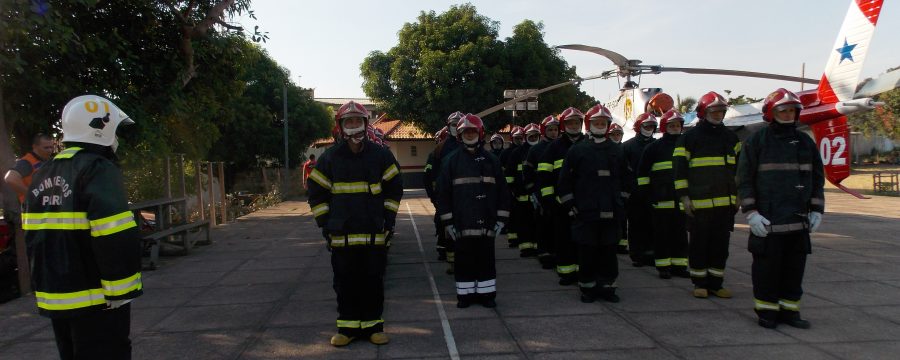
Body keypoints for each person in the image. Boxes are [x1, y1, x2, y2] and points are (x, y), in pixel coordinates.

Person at [23, 95, 143, 359]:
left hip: (58, 297)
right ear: (102, 130)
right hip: (97, 299)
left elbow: (34, 237)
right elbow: (114, 234)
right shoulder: (97, 169)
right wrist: (122, 292)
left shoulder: (43, 173)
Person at [307, 100, 403, 346]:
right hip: (342, 236)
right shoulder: (329, 158)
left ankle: (374, 326)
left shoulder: (381, 156)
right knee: (345, 283)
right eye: (348, 121)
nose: (353, 125)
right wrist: (325, 224)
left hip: (374, 234)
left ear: (365, 123)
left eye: (357, 120)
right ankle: (347, 328)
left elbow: (394, 189)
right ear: (341, 126)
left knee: (373, 281)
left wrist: (388, 220)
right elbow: (316, 193)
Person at [737, 88, 824, 329]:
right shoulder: (757, 141)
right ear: (771, 112)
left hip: (798, 221)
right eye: (782, 110)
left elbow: (817, 177)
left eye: (791, 111)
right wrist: (751, 213)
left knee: (794, 269)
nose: (787, 115)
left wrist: (817, 209)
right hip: (768, 220)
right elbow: (744, 179)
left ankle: (790, 311)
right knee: (767, 269)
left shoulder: (806, 142)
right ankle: (766, 312)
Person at [436, 114, 510, 308]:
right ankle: (465, 296)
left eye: (472, 131)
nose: (469, 134)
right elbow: (442, 194)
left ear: (480, 133)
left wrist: (501, 218)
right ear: (460, 135)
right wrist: (448, 222)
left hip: (487, 222)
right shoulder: (451, 161)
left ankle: (487, 295)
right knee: (464, 261)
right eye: (465, 132)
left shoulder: (492, 160)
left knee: (486, 260)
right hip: (461, 223)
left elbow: (503, 190)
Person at [673, 91, 741, 299]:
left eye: (721, 111)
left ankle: (716, 283)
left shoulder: (731, 138)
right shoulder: (689, 138)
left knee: (720, 246)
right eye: (714, 110)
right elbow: (679, 171)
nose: (718, 114)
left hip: (724, 205)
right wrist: (684, 197)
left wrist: (738, 196)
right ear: (704, 112)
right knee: (699, 245)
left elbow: (739, 171)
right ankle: (699, 282)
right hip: (698, 204)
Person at [557, 103, 624, 303]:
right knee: (587, 252)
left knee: (609, 253)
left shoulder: (616, 150)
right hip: (586, 213)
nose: (600, 125)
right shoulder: (577, 151)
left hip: (611, 213)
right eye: (597, 122)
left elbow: (628, 179)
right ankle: (587, 288)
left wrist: (622, 202)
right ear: (589, 124)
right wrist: (571, 206)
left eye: (604, 122)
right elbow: (564, 182)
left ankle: (608, 288)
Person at [636, 110, 690, 279]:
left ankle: (680, 266)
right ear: (664, 127)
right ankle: (663, 267)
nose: (675, 128)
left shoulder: (686, 146)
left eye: (677, 125)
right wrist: (647, 196)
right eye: (671, 125)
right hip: (661, 199)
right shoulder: (653, 147)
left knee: (680, 234)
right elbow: (642, 173)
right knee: (662, 235)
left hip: (681, 200)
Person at [537, 108, 584, 285]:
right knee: (563, 240)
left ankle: (584, 272)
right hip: (560, 204)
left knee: (584, 241)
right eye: (569, 123)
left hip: (584, 204)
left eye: (576, 122)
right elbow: (544, 175)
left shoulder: (588, 144)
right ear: (564, 125)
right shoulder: (553, 147)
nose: (573, 126)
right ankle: (566, 273)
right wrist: (550, 202)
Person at [523, 115, 559, 268]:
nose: (553, 133)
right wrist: (532, 192)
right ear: (544, 131)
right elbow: (528, 172)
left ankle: (557, 253)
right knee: (543, 225)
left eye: (555, 129)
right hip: (541, 195)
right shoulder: (536, 149)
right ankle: (544, 254)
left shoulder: (562, 147)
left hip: (559, 194)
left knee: (558, 227)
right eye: (550, 130)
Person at [622, 112, 658, 267]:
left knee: (652, 224)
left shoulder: (658, 145)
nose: (649, 129)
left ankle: (651, 254)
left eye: (651, 126)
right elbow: (623, 171)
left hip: (653, 192)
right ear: (639, 127)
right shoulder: (627, 146)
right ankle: (637, 255)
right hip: (634, 194)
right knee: (636, 225)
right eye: (646, 126)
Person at [506, 123, 540, 257]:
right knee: (523, 223)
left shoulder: (542, 149)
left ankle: (538, 247)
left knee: (538, 223)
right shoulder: (517, 153)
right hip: (521, 196)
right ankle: (526, 248)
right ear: (526, 137)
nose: (533, 138)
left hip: (538, 195)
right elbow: (509, 175)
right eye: (530, 136)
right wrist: (512, 191)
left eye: (535, 135)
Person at [499, 125, 524, 247]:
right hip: (510, 189)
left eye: (520, 138)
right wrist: (510, 189)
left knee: (522, 216)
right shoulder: (506, 153)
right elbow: (506, 173)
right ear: (512, 138)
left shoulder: (525, 151)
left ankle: (521, 237)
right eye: (516, 138)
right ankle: (513, 238)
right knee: (512, 215)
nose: (519, 140)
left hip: (521, 189)